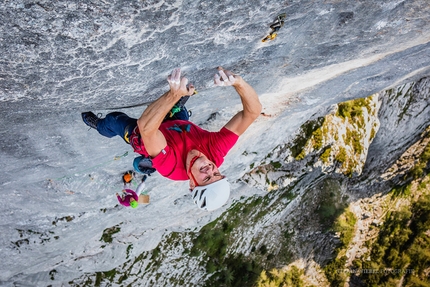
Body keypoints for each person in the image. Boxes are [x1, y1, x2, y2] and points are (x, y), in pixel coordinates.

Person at [82, 67, 262, 211]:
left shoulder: (171, 168)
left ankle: (99, 126)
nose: (210, 169)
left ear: (192, 184)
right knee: (180, 112)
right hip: (177, 124)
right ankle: (177, 103)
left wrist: (173, 94)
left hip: (146, 134)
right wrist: (239, 83)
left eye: (206, 178)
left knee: (115, 120)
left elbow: (146, 128)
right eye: (216, 174)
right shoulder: (215, 154)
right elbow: (252, 112)